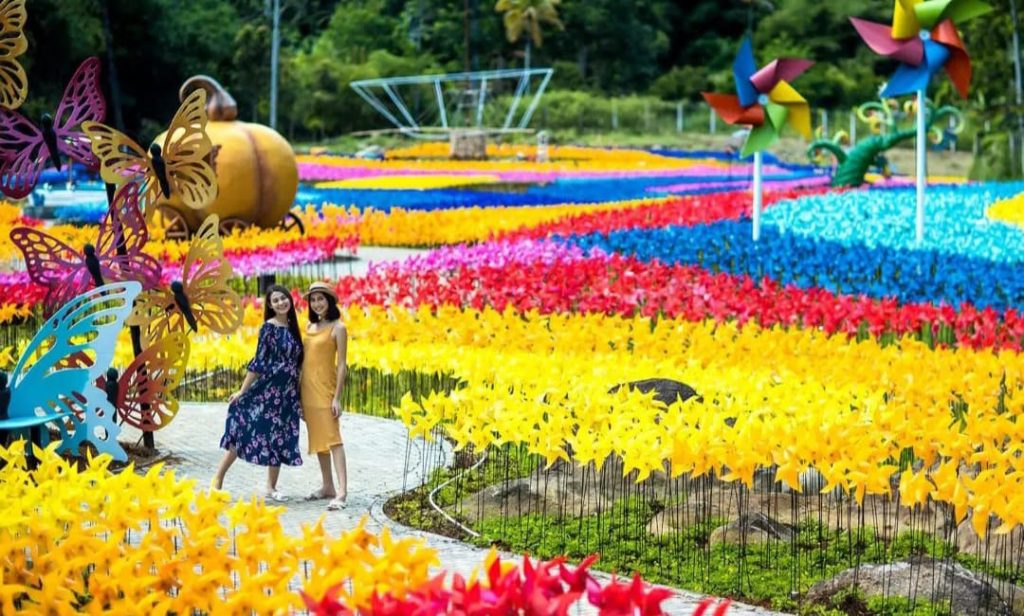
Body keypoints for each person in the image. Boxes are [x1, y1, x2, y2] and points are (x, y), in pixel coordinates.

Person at [213, 285, 304, 501]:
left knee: (279, 437)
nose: (281, 302)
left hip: (287, 394)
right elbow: (258, 362)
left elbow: (299, 365)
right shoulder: (269, 328)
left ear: (289, 300)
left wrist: (299, 396)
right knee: (247, 429)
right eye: (276, 300)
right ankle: (218, 478)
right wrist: (242, 392)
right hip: (268, 390)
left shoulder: (293, 326)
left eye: (284, 298)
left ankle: (271, 487)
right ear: (271, 306)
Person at [300, 282, 349, 511]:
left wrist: (337, 397)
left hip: (326, 390)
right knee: (319, 440)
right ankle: (327, 486)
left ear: (330, 301)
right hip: (307, 391)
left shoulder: (338, 328)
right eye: (313, 299)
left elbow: (342, 366)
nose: (317, 303)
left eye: (321, 299)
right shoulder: (309, 326)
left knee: (334, 439)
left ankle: (341, 491)